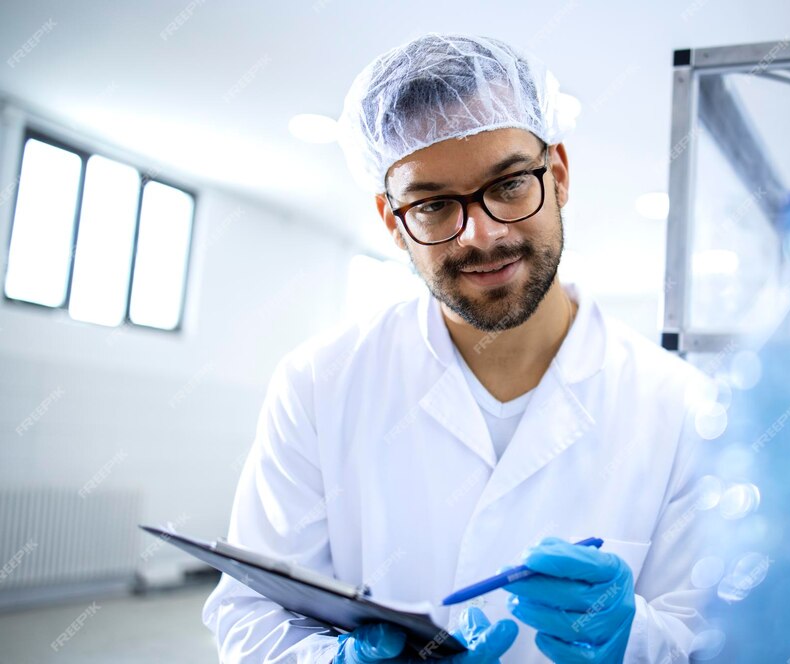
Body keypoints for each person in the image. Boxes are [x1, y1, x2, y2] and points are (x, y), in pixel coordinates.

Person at [203, 33, 710, 663]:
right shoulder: (318, 384)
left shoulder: (682, 404)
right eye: (436, 205)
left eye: (509, 185)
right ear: (393, 221)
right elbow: (252, 613)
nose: (483, 234)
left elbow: (711, 639)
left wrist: (631, 640)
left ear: (557, 174)